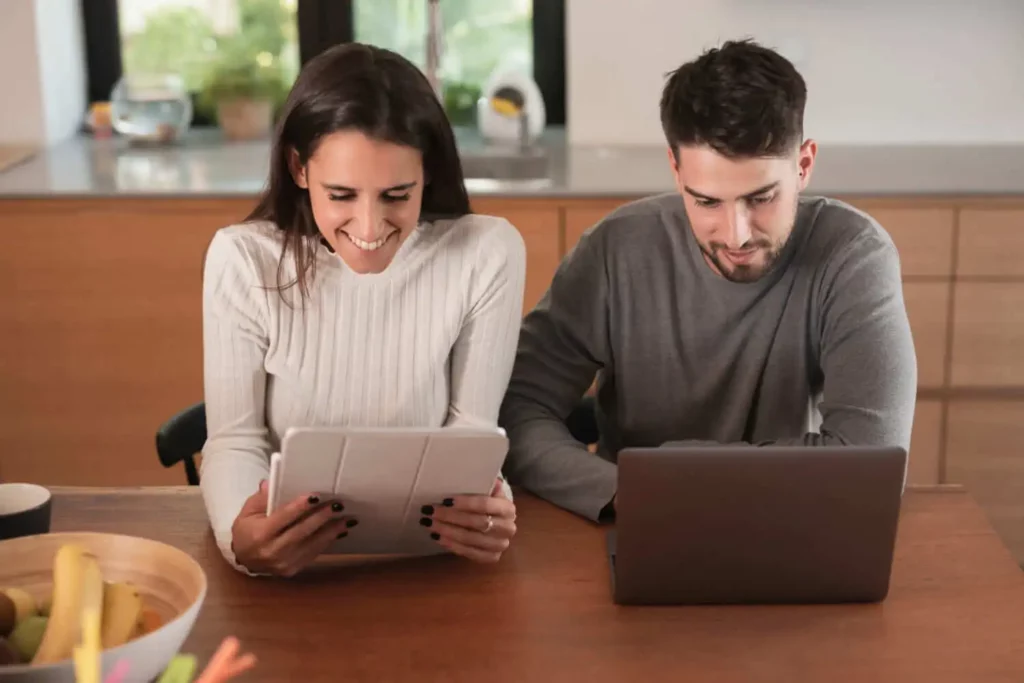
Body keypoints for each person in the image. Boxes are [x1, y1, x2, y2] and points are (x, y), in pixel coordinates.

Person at [499, 39, 917, 521]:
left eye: (761, 198)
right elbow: (517, 409)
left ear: (803, 166)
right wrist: (621, 492)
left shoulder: (853, 257)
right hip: (633, 524)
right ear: (676, 171)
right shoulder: (615, 250)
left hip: (789, 523)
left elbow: (872, 462)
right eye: (707, 202)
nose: (737, 235)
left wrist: (673, 476)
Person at [199, 43, 526, 576]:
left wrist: (488, 508)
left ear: (428, 175)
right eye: (342, 194)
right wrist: (241, 538)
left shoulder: (485, 252)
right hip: (296, 579)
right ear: (299, 169)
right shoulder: (243, 260)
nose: (369, 229)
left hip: (429, 571)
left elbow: (471, 431)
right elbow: (235, 439)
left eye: (397, 194)